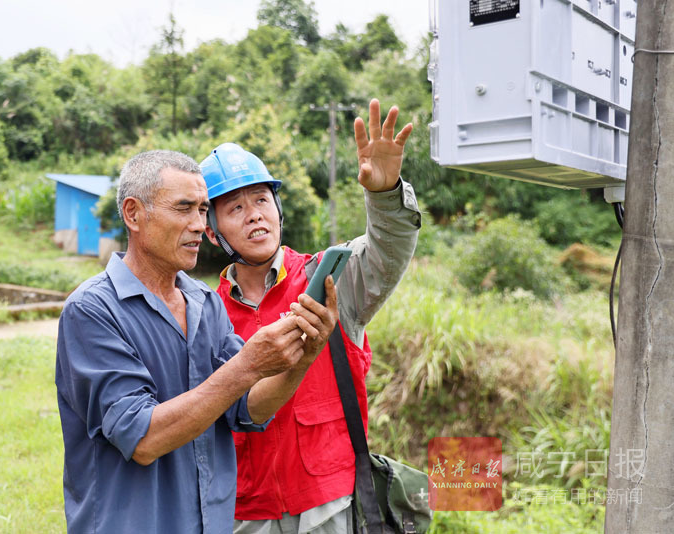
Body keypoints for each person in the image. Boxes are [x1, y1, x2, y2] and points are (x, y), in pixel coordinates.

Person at [55, 150, 338, 534]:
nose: (197, 225)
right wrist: (249, 364)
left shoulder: (204, 303)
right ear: (133, 214)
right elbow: (143, 438)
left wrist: (304, 356)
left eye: (203, 210)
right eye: (184, 208)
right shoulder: (91, 311)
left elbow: (249, 408)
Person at [200, 99, 421, 533]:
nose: (254, 215)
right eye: (235, 208)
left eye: (261, 199)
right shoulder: (204, 314)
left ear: (279, 208)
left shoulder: (331, 277)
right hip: (244, 511)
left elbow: (388, 252)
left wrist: (384, 194)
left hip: (330, 502)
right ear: (212, 231)